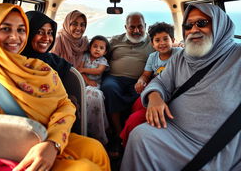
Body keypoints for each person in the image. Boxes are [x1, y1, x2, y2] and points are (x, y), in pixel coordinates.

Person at [0, 3, 111, 171]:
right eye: (6, 29)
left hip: (47, 136)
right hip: (2, 151)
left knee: (97, 150)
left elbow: (64, 104)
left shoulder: (40, 68)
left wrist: (53, 143)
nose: (15, 37)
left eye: (21, 30)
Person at [120, 3, 241, 171]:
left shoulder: (237, 57)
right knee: (139, 135)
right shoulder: (182, 58)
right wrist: (154, 96)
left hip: (219, 144)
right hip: (174, 130)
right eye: (188, 25)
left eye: (202, 23)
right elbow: (160, 81)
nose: (193, 30)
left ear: (219, 25)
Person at [120, 22, 182, 146]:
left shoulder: (179, 53)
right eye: (157, 40)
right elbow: (146, 75)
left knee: (134, 119)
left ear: (173, 40)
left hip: (170, 93)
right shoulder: (153, 57)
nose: (162, 43)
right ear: (153, 44)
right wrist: (141, 81)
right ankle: (129, 131)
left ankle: (126, 139)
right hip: (154, 90)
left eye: (166, 39)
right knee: (137, 104)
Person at [101, 12, 154, 157]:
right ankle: (118, 135)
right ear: (126, 27)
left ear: (145, 26)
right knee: (108, 88)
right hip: (115, 78)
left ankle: (130, 135)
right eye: (132, 27)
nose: (136, 31)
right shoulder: (115, 40)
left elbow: (166, 48)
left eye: (140, 27)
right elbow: (99, 52)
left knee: (143, 94)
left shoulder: (152, 41)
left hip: (139, 80)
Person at [77, 35, 110, 145]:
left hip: (96, 85)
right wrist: (86, 80)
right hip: (83, 82)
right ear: (90, 47)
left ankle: (98, 129)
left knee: (95, 95)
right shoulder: (84, 56)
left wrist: (83, 70)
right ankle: (84, 128)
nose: (97, 49)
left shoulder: (103, 60)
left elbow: (98, 71)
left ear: (105, 52)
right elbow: (79, 71)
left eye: (101, 48)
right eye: (95, 46)